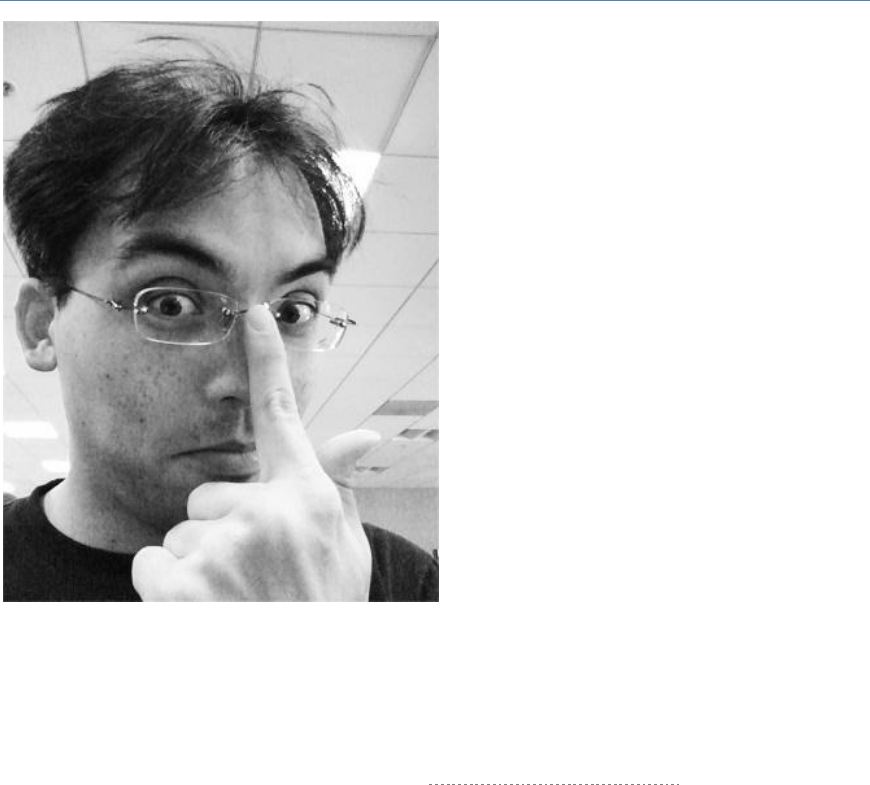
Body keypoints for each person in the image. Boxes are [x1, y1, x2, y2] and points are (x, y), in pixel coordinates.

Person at [3, 57, 438, 602]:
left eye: (293, 312)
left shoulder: (401, 583)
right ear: (42, 324)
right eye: (171, 303)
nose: (251, 384)